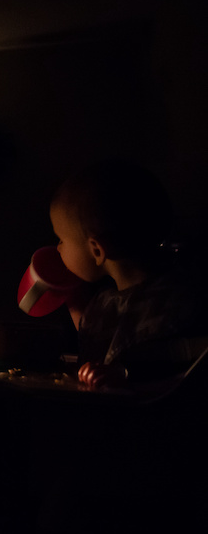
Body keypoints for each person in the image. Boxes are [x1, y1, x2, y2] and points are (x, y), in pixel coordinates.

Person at [49, 160, 207, 389]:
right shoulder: (106, 301)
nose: (58, 248)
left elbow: (180, 361)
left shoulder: (173, 304)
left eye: (61, 239)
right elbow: (100, 335)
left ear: (97, 250)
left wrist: (125, 373)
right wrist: (73, 300)